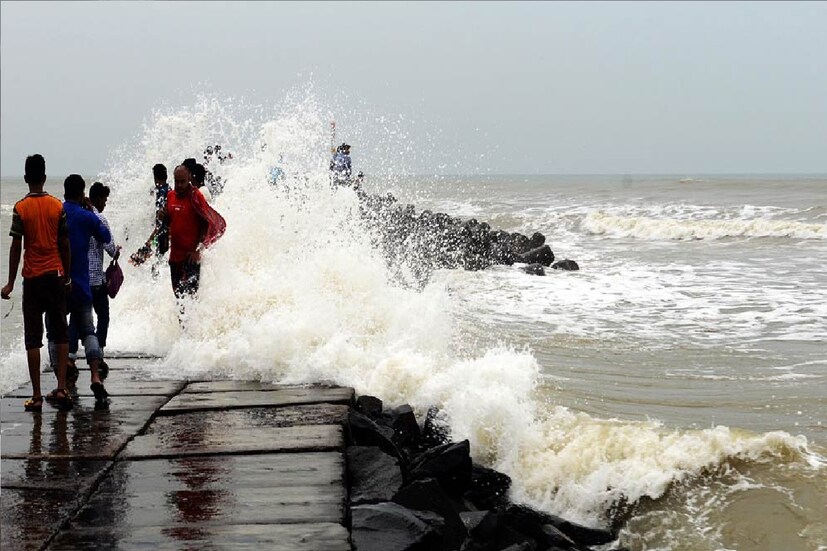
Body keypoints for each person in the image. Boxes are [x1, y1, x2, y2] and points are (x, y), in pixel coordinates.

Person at [1, 154, 73, 411]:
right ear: (44, 177)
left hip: (32, 279)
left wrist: (9, 283)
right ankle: (62, 388)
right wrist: (67, 275)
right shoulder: (57, 206)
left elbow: (16, 246)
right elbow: (64, 243)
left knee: (33, 339)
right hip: (55, 276)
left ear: (25, 179)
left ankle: (37, 395)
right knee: (60, 331)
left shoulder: (20, 208)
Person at [61, 174, 112, 407]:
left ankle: (64, 376)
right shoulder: (88, 216)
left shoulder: (57, 213)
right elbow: (106, 236)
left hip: (61, 281)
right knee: (89, 328)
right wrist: (92, 213)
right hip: (84, 282)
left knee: (60, 330)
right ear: (83, 193)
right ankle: (95, 374)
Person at [71, 182, 120, 378]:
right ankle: (98, 353)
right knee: (103, 315)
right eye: (105, 200)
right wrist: (117, 252)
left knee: (76, 318)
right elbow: (111, 248)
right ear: (98, 199)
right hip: (96, 281)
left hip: (79, 279)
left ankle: (71, 355)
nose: (105, 204)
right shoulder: (98, 218)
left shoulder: (78, 217)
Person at [165, 163, 226, 303]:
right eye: (177, 181)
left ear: (189, 180)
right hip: (175, 258)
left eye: (183, 182)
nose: (179, 185)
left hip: (190, 258)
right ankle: (183, 325)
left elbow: (206, 222)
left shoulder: (195, 196)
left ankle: (192, 324)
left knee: (190, 298)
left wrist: (198, 249)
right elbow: (170, 221)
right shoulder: (170, 196)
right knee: (179, 298)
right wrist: (163, 217)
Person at [129, 163, 169, 271]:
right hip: (168, 236)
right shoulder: (169, 190)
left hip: (163, 236)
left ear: (155, 177)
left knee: (157, 268)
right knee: (162, 265)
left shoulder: (161, 193)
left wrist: (150, 240)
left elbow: (161, 221)